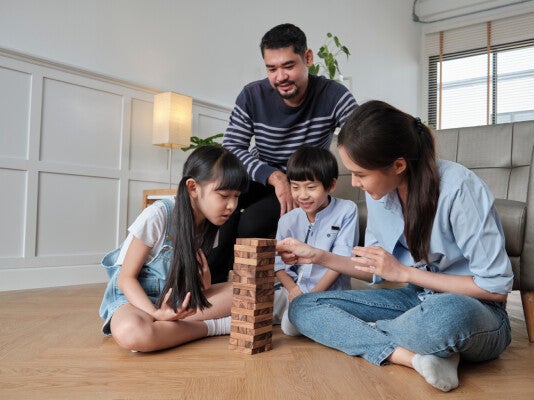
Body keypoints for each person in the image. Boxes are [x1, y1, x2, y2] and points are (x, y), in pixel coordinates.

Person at [277, 100, 513, 392]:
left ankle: (361, 333)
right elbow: (373, 270)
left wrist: (406, 273)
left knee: (444, 318)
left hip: (476, 310)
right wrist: (318, 256)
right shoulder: (380, 193)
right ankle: (414, 357)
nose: (355, 183)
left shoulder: (459, 188)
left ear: (398, 165)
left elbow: (496, 289)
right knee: (303, 306)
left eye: (361, 174)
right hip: (416, 302)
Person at [213, 23, 357, 280]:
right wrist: (275, 177)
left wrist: (289, 181)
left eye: (289, 66)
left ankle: (249, 293)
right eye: (272, 68)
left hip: (299, 180)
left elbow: (360, 136)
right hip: (261, 175)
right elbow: (232, 148)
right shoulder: (251, 95)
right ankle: (211, 283)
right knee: (219, 202)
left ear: (308, 58)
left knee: (253, 221)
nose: (280, 77)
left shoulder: (334, 95)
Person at [98, 146, 250, 352]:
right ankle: (213, 327)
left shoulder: (211, 223)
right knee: (131, 332)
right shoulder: (158, 215)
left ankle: (164, 331)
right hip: (135, 300)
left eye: (236, 196)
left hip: (177, 300)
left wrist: (203, 284)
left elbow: (193, 288)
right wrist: (155, 313)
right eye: (224, 195)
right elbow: (126, 279)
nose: (232, 205)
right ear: (193, 187)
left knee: (248, 291)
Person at [273, 146, 359, 336]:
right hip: (292, 291)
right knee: (250, 305)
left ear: (331, 185)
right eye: (295, 187)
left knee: (290, 327)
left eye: (311, 187)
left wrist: (309, 296)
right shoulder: (288, 219)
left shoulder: (347, 210)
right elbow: (278, 264)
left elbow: (340, 261)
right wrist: (293, 290)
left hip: (328, 293)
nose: (302, 195)